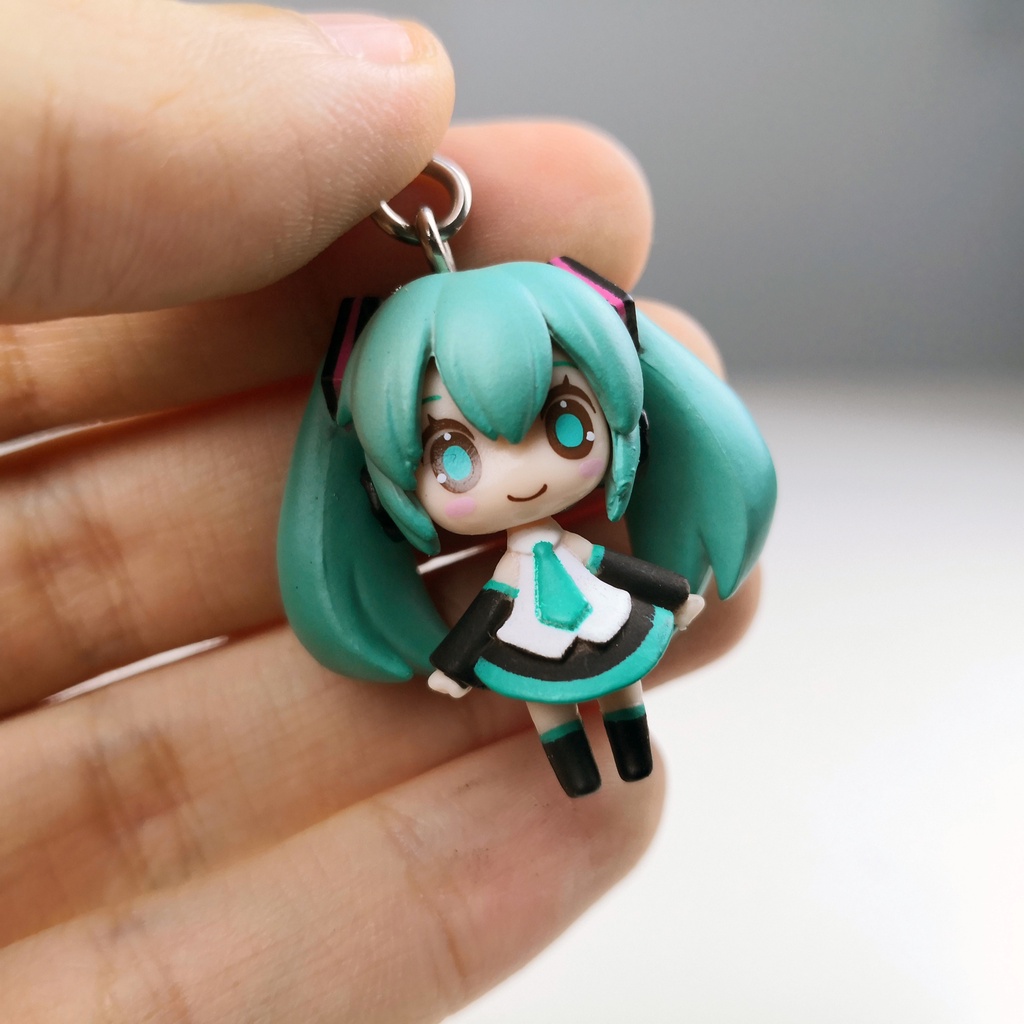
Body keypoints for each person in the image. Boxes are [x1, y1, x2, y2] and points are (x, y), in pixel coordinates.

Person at [0, 1, 763, 1019]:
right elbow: (483, 618)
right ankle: (573, 763)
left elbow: (623, 575)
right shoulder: (486, 554)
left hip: (597, 626)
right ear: (392, 473)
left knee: (620, 686)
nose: (520, 475)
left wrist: (670, 595)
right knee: (551, 708)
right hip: (528, 646)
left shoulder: (567, 538)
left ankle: (620, 742)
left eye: (564, 423)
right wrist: (451, 666)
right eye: (454, 453)